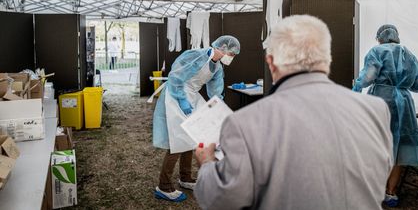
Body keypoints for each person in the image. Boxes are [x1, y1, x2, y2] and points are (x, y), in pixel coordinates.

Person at [194, 15, 393, 210]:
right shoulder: (376, 110)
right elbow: (381, 169)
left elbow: (221, 199)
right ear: (327, 59)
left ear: (271, 62)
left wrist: (207, 163)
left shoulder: (244, 123)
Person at [152, 35, 241, 202]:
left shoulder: (217, 67)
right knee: (177, 140)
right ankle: (163, 186)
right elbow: (175, 76)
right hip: (176, 94)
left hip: (192, 96)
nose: (232, 57)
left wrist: (217, 104)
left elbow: (215, 89)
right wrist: (181, 98)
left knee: (192, 137)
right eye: (232, 54)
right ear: (222, 49)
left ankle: (185, 177)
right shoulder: (197, 55)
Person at [353, 24, 418, 207]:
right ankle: (391, 193)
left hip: (381, 101)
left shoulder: (377, 51)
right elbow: (417, 86)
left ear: (380, 37)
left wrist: (356, 88)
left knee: (376, 145)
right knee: (399, 148)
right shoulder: (409, 55)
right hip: (404, 103)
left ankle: (373, 188)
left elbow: (368, 76)